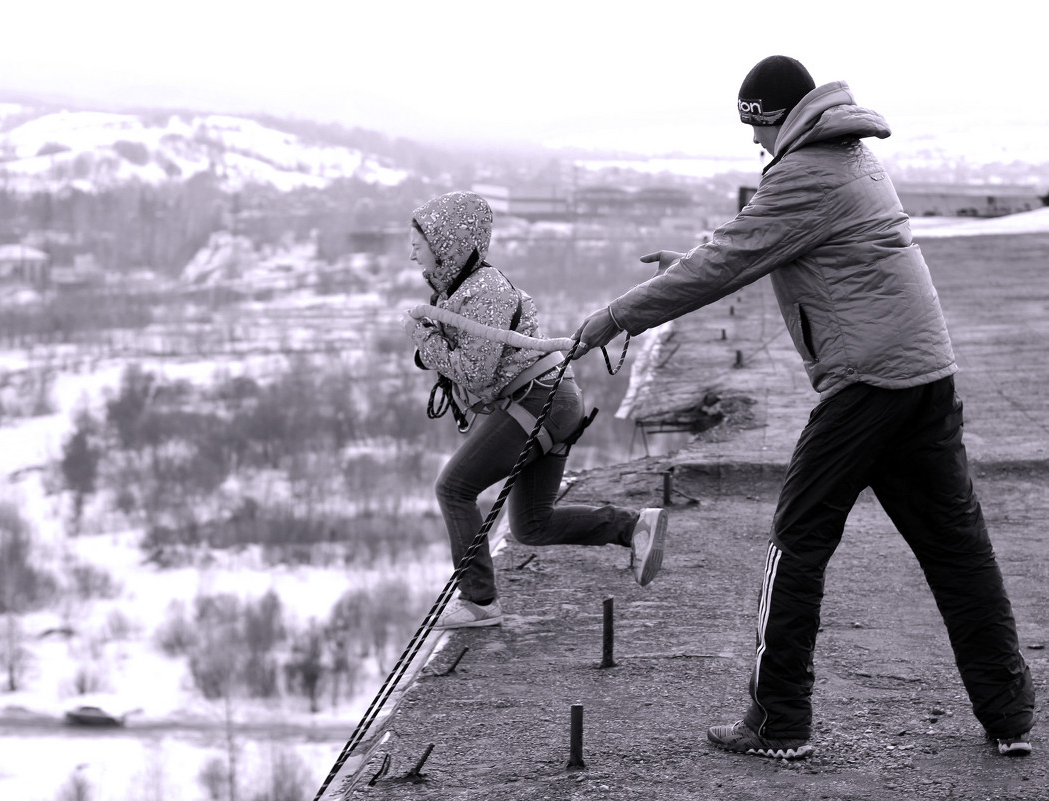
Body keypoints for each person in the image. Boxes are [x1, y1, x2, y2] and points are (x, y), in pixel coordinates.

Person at [575, 56, 1035, 758]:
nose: (754, 145)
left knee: (796, 543)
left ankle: (779, 719)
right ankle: (1009, 713)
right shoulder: (850, 156)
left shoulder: (806, 171)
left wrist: (617, 317)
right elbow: (750, 246)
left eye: (754, 128)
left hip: (866, 382)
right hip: (923, 375)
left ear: (772, 116)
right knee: (957, 549)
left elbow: (728, 258)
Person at [403, 190, 667, 630]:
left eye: (418, 240)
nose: (411, 250)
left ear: (446, 242)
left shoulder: (482, 290)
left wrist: (425, 341)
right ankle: (633, 527)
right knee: (531, 526)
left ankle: (478, 602)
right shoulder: (463, 291)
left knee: (453, 488)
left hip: (538, 401)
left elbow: (477, 374)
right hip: (550, 401)